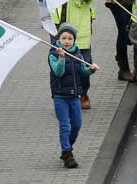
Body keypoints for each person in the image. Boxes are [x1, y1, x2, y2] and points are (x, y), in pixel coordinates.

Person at [50, 0, 104, 110]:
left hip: (81, 24)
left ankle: (82, 93)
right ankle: (61, 94)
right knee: (59, 63)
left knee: (84, 61)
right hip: (59, 25)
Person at [49, 23, 99, 169]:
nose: (67, 41)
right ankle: (67, 153)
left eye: (70, 38)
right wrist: (61, 58)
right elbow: (58, 72)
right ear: (58, 39)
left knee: (76, 125)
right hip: (60, 96)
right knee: (65, 125)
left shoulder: (77, 53)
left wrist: (91, 69)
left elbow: (82, 71)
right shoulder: (53, 54)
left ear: (74, 40)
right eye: (63, 38)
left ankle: (68, 146)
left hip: (75, 96)